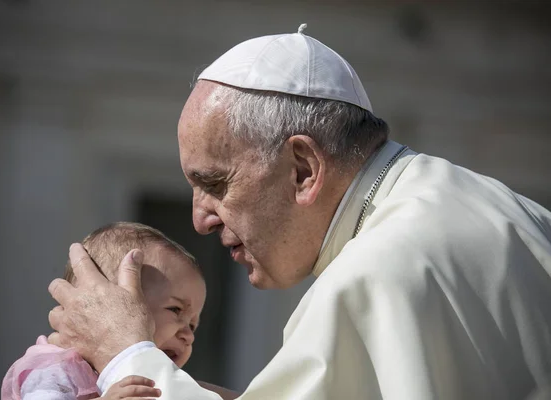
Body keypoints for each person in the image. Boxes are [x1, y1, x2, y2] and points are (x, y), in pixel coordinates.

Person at [48, 25, 551, 399]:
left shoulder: (371, 278)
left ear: (304, 169)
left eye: (216, 183)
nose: (202, 219)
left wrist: (126, 354)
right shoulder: (518, 214)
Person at [2, 222, 214, 399]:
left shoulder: (167, 383)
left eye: (193, 325)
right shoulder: (58, 369)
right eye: (175, 310)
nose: (188, 336)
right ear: (110, 304)